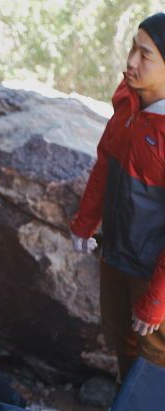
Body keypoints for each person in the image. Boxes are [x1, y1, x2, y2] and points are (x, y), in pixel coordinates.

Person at [70, 12, 165, 383]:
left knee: (156, 356)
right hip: (115, 253)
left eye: (145, 54)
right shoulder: (127, 102)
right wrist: (84, 222)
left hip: (153, 271)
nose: (130, 62)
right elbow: (105, 162)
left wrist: (156, 299)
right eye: (131, 49)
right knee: (120, 340)